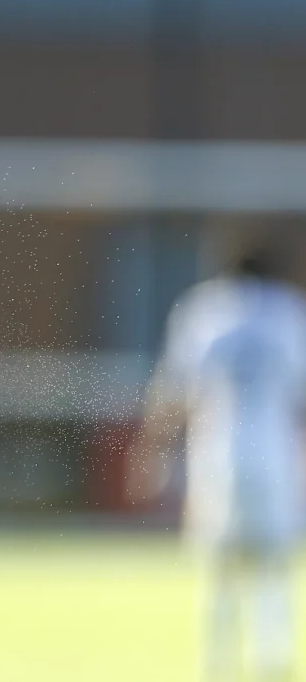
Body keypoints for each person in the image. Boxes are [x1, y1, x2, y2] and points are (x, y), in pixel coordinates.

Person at [128, 241, 306, 682]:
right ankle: (272, 658)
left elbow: (174, 388)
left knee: (219, 562)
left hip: (218, 452)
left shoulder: (205, 309)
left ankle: (218, 662)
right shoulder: (288, 311)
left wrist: (150, 450)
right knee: (272, 560)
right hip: (274, 452)